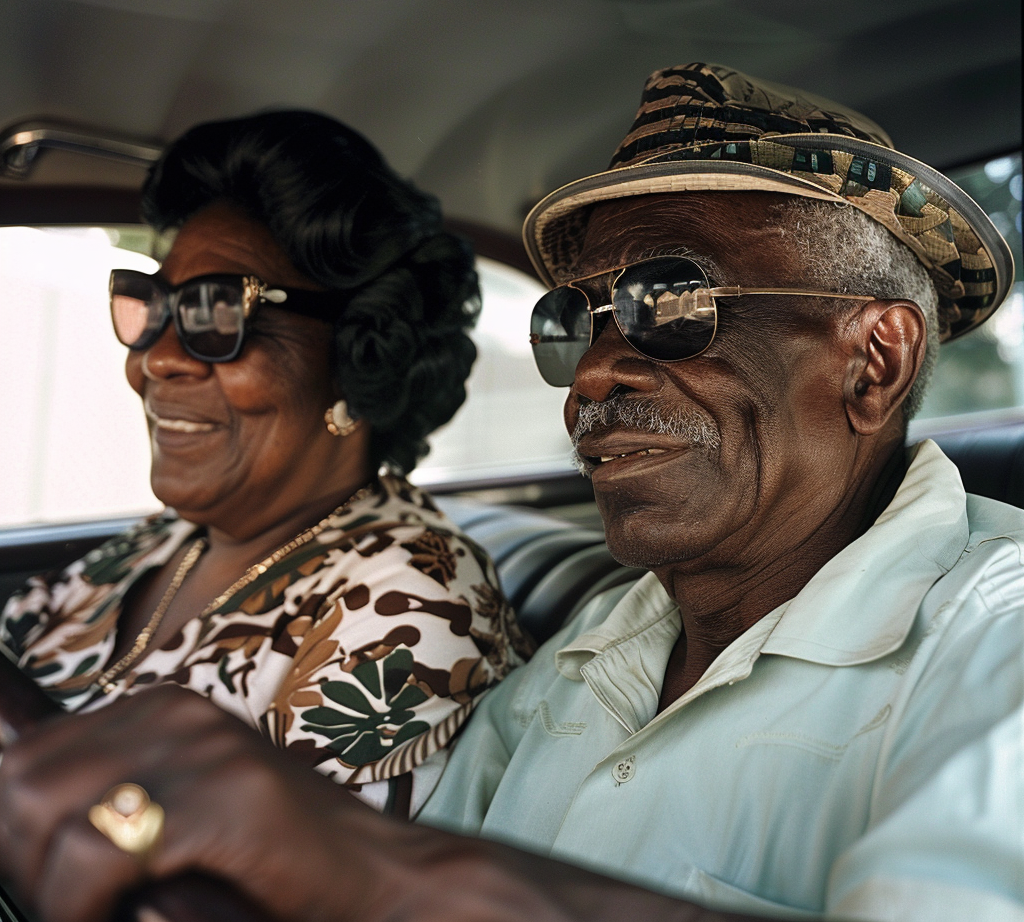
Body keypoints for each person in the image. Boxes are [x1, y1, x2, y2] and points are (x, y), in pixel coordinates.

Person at [1, 65, 1020, 922]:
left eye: (668, 301)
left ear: (873, 360)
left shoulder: (996, 640)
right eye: (575, 322)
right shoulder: (581, 665)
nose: (589, 376)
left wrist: (383, 871)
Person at [0, 110, 530, 817]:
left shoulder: (412, 604)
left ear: (355, 359)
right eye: (151, 306)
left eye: (216, 313)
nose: (155, 358)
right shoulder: (171, 539)